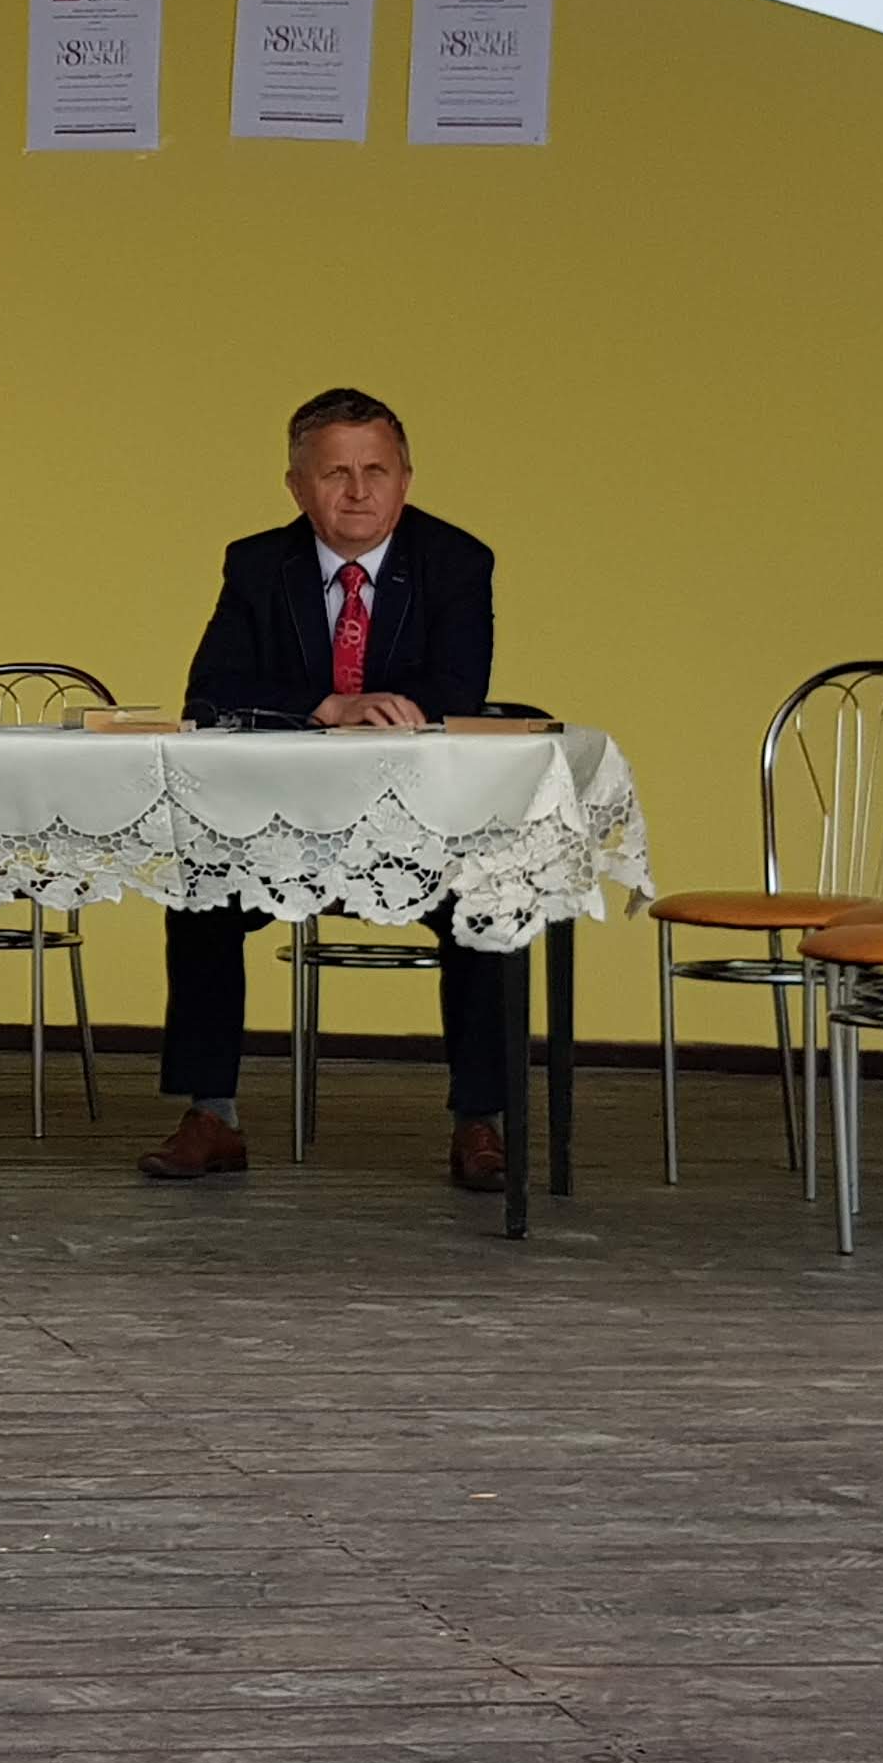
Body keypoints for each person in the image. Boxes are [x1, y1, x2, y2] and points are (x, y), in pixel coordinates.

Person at [139, 385, 519, 1192]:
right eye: (335, 473)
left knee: (490, 898)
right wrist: (326, 706)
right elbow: (210, 692)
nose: (357, 492)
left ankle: (480, 1120)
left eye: (376, 471)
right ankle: (212, 1115)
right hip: (281, 825)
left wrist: (392, 709)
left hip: (418, 824)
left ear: (405, 479)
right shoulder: (256, 564)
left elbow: (459, 686)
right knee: (198, 892)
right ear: (296, 486)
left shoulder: (456, 560)